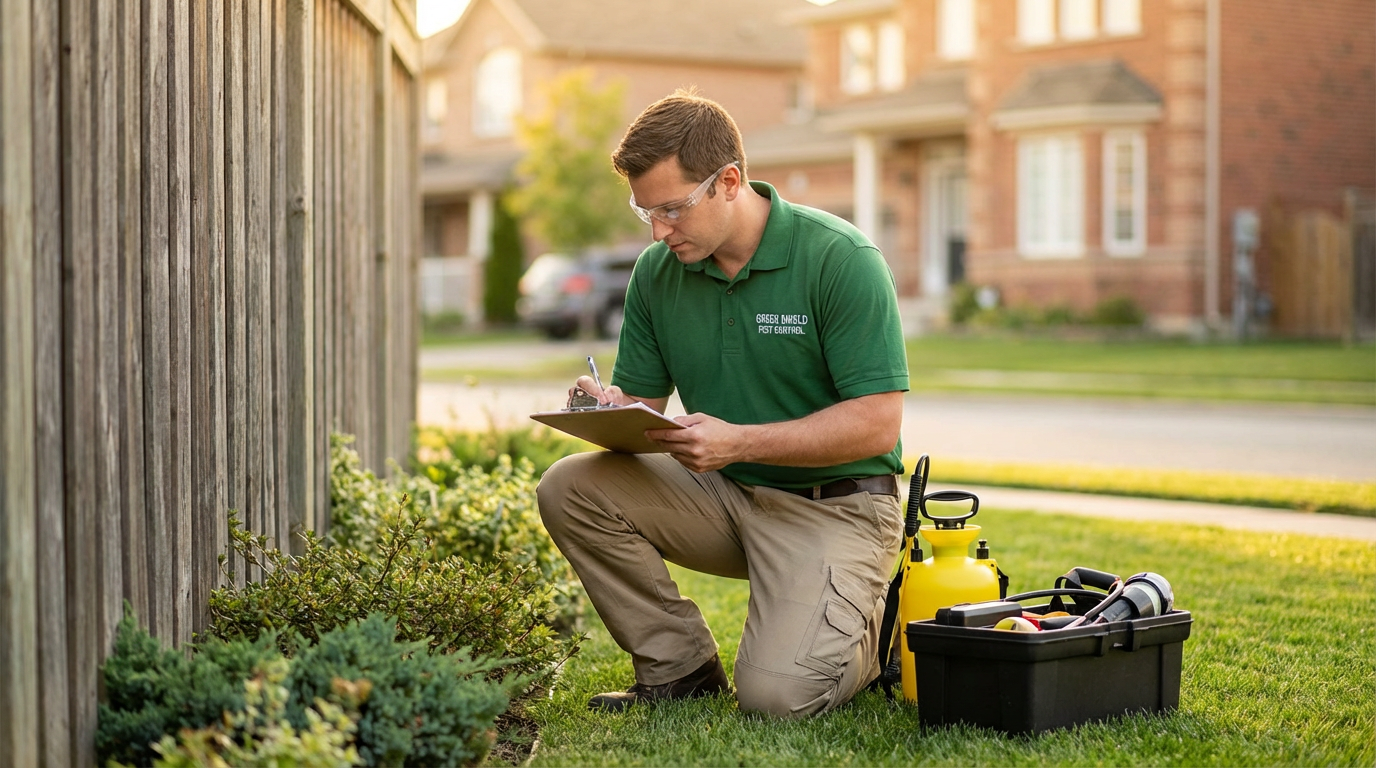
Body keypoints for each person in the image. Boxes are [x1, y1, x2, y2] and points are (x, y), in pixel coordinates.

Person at [536, 88, 909, 718]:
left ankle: (876, 634)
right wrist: (607, 405)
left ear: (728, 181)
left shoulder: (840, 259)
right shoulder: (658, 273)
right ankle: (679, 668)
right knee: (570, 488)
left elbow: (877, 424)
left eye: (673, 209)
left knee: (778, 700)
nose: (658, 231)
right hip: (725, 495)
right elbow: (642, 406)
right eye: (645, 212)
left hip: (835, 506)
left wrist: (740, 441)